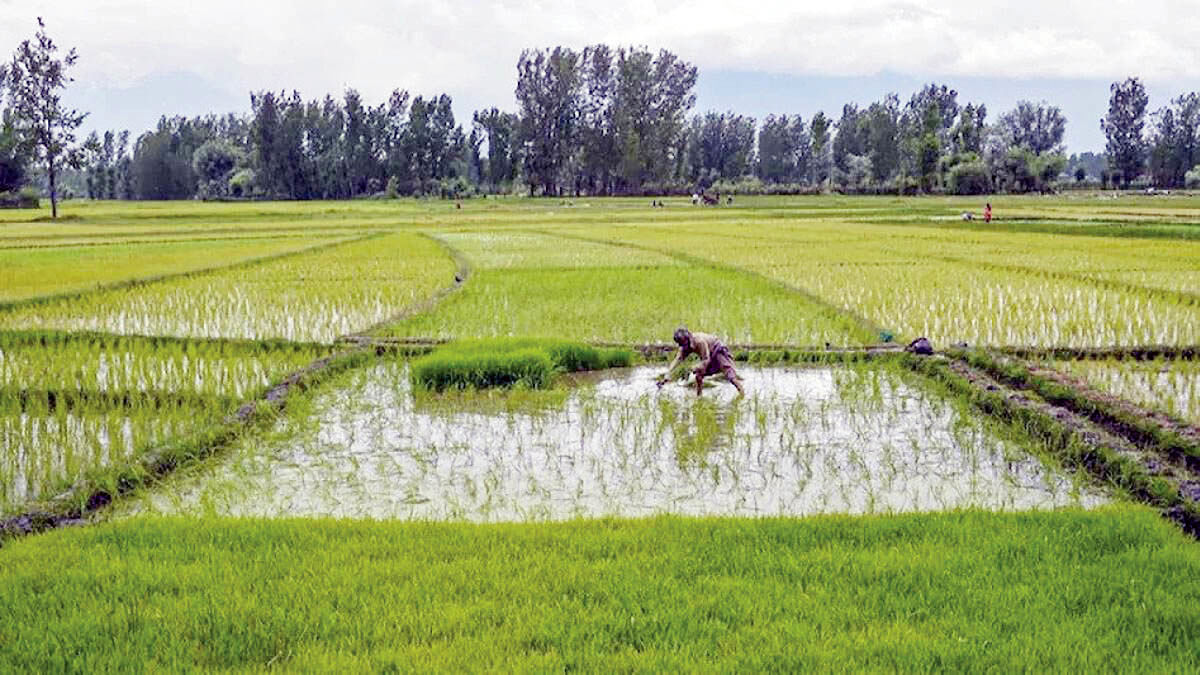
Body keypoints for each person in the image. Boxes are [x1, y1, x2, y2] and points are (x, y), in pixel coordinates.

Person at [656, 327, 744, 396]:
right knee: (699, 375)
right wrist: (667, 376)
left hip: (718, 351)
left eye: (683, 343)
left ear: (688, 339)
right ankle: (699, 396)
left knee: (730, 376)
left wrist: (694, 367)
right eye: (680, 344)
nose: (682, 346)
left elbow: (706, 359)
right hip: (708, 355)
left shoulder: (699, 342)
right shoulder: (684, 347)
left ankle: (742, 393)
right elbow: (677, 360)